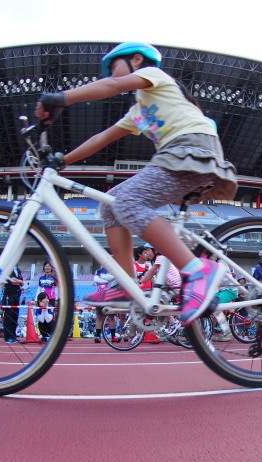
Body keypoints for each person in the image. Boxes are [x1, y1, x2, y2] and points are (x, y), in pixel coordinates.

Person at [36, 42, 237, 324]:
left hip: (192, 148)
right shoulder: (139, 111)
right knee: (110, 205)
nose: (113, 73)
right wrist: (62, 160)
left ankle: (197, 269)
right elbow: (101, 139)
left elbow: (111, 86)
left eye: (115, 66)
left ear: (137, 60)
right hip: (175, 154)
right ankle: (127, 284)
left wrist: (59, 98)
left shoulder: (156, 77)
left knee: (128, 201)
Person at [1, 263, 24, 343]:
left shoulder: (18, 270)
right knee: (8, 316)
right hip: (9, 295)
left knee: (15, 316)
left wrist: (19, 281)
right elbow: (12, 281)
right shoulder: (7, 270)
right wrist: (19, 281)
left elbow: (22, 282)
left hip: (17, 295)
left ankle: (13, 335)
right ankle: (8, 336)